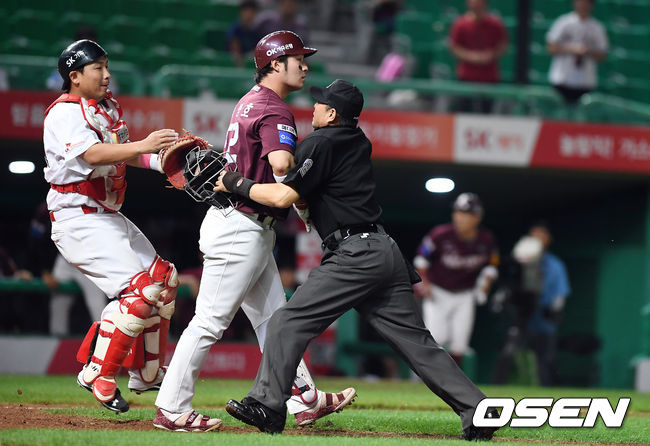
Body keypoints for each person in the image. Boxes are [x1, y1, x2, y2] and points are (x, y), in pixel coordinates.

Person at [216, 79, 499, 441]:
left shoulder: (321, 141)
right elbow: (307, 194)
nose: (314, 107)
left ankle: (267, 406)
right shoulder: (357, 139)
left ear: (332, 114)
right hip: (384, 252)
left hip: (356, 254)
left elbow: (284, 196)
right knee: (418, 344)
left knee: (287, 320)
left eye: (321, 103)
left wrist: (234, 182)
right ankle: (478, 409)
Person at [153, 31, 355, 433]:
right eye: (298, 59)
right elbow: (281, 166)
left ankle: (304, 398)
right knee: (209, 321)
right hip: (240, 226)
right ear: (276, 64)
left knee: (275, 321)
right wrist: (304, 190)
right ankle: (171, 408)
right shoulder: (274, 107)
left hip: (244, 225)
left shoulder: (249, 100)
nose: (305, 66)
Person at [44, 39, 181, 415]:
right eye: (98, 68)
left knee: (164, 280)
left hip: (104, 214)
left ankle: (147, 374)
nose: (106, 74)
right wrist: (144, 144)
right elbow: (92, 154)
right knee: (140, 292)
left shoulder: (106, 107)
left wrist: (162, 162)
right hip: (76, 216)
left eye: (107, 66)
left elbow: (124, 153)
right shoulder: (64, 113)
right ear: (75, 76)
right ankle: (98, 373)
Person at [413, 193, 499, 366]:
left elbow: (492, 266)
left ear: (477, 217)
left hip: (465, 293)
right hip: (438, 291)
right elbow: (421, 260)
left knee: (460, 344)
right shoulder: (440, 234)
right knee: (436, 338)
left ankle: (450, 379)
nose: (459, 217)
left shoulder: (487, 240)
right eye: (458, 212)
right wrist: (424, 283)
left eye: (466, 213)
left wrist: (485, 285)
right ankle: (423, 377)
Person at [518, 222, 571, 386]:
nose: (538, 239)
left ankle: (545, 392)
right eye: (534, 235)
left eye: (541, 236)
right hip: (521, 316)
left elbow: (560, 293)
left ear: (548, 239)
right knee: (516, 356)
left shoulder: (555, 264)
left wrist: (555, 311)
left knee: (545, 359)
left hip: (544, 317)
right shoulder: (520, 260)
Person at [449, 0, 508, 113]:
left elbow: (503, 46)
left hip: (489, 78)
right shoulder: (460, 24)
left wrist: (490, 55)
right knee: (464, 112)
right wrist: (471, 57)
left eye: (479, 3)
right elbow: (454, 47)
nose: (476, 6)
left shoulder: (495, 24)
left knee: (487, 113)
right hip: (466, 77)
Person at [546, 0, 608, 104]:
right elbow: (550, 48)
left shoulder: (597, 27)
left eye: (586, 2)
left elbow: (602, 55)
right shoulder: (564, 22)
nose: (582, 5)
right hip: (562, 80)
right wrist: (571, 49)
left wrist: (587, 52)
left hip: (585, 82)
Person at [227, 0, 263, 67]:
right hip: (236, 63)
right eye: (245, 11)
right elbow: (235, 51)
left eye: (251, 11)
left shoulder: (258, 29)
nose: (248, 14)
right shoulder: (235, 29)